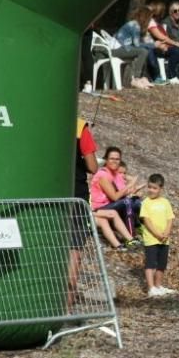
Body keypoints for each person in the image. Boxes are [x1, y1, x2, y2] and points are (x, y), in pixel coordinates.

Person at [69, 117, 99, 306]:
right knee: (73, 253)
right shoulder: (79, 126)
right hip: (76, 195)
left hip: (47, 193)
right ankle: (66, 307)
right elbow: (93, 166)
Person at [90, 146, 144, 246]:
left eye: (117, 159)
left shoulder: (115, 174)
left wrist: (135, 190)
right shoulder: (103, 175)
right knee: (127, 202)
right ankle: (131, 237)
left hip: (111, 205)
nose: (115, 161)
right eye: (112, 159)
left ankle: (142, 230)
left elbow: (124, 192)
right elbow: (115, 197)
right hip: (99, 208)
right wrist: (130, 185)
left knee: (136, 202)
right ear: (106, 160)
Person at [140, 173, 176, 298]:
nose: (151, 190)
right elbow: (146, 220)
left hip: (164, 239)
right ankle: (151, 288)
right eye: (149, 187)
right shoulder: (146, 203)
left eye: (154, 188)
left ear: (161, 189)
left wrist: (166, 232)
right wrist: (156, 234)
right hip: (151, 239)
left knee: (162, 263)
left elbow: (170, 219)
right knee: (150, 263)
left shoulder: (165, 202)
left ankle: (158, 285)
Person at [146, 1, 179, 83]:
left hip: (163, 45)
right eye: (175, 11)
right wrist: (175, 43)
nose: (178, 12)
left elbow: (166, 37)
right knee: (177, 50)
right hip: (156, 47)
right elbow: (162, 37)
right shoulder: (152, 23)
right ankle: (172, 76)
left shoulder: (157, 23)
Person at [110, 10, 154, 88]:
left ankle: (142, 78)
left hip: (122, 48)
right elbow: (137, 45)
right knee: (143, 52)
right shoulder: (135, 26)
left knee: (144, 51)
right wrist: (153, 45)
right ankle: (136, 79)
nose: (150, 21)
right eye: (149, 19)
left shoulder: (135, 24)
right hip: (116, 49)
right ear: (145, 18)